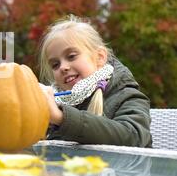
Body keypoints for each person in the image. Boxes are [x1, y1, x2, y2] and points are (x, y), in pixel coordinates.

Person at [37, 15, 152, 147]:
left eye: (71, 56)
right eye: (55, 64)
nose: (63, 67)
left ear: (100, 57)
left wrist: (62, 117)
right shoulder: (56, 102)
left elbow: (134, 137)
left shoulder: (126, 95)